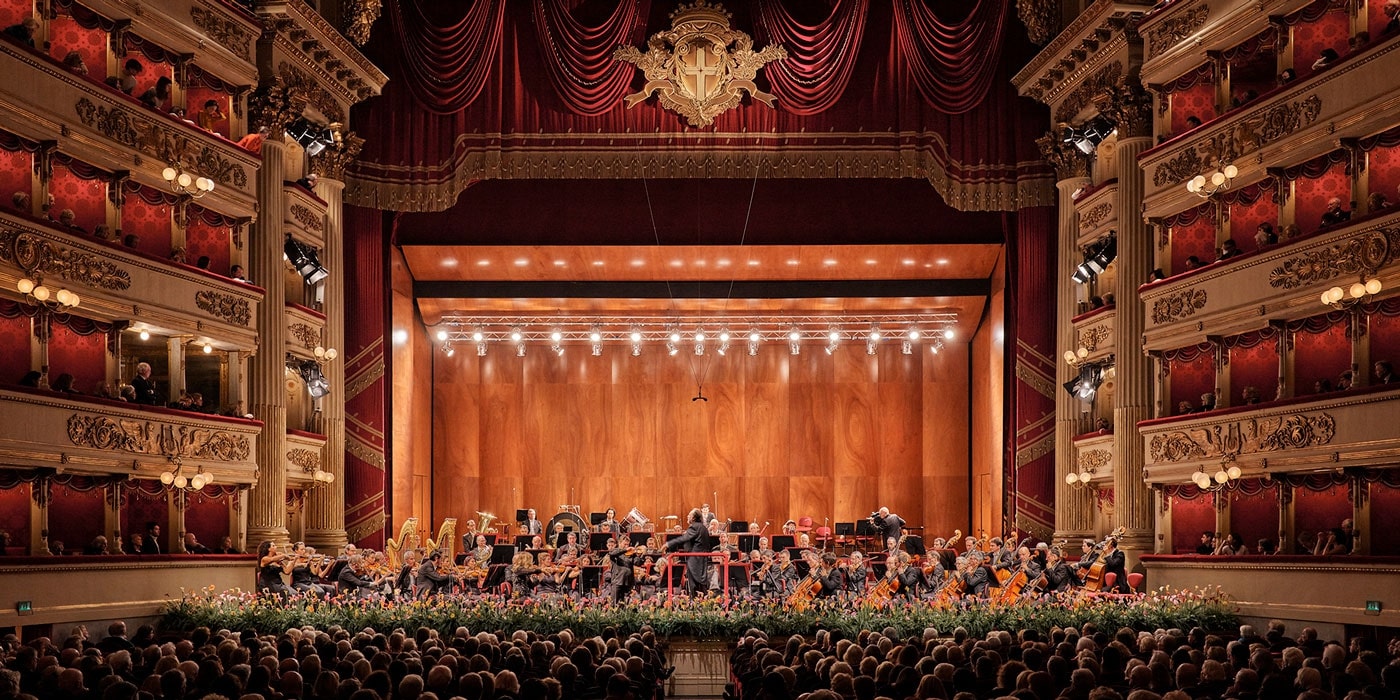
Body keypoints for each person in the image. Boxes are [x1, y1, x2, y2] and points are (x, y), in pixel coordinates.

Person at [665, 508, 711, 595]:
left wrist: (668, 544)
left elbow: (684, 538)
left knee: (693, 586)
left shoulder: (694, 526)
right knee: (701, 585)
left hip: (694, 559)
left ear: (693, 518)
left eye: (689, 515)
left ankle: (694, 604)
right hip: (702, 559)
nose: (687, 516)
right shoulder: (703, 527)